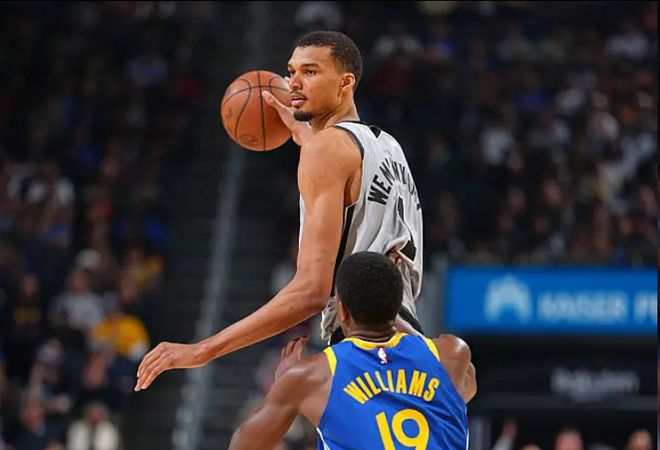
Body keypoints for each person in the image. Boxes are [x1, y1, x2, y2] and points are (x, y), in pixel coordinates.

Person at [135, 31, 424, 390]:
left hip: (365, 354)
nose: (293, 83)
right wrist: (308, 137)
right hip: (412, 350)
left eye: (310, 72)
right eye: (291, 72)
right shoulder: (388, 146)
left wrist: (204, 350)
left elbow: (312, 290)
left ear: (345, 83)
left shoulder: (325, 151)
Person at [228, 252, 476, 449]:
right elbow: (465, 391)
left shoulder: (312, 376)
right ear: (397, 302)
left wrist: (284, 383)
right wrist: (389, 296)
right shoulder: (451, 354)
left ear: (342, 311)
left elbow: (243, 446)